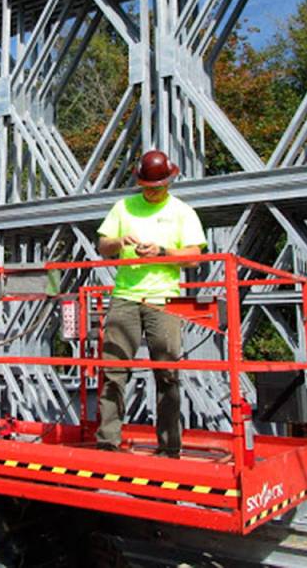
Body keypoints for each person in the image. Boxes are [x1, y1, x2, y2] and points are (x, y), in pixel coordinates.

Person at [96, 150, 206, 457]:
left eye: (156, 186)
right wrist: (120, 242)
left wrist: (162, 252)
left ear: (169, 181)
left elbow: (195, 255)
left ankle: (169, 446)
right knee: (114, 370)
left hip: (163, 299)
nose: (151, 191)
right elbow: (103, 246)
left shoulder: (182, 212)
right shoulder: (123, 207)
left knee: (167, 374)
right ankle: (108, 442)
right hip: (125, 297)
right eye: (146, 186)